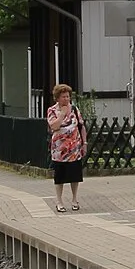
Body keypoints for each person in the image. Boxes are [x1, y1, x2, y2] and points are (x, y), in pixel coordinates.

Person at [44, 83, 89, 213]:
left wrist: (84, 143)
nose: (66, 99)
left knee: (75, 175)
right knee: (60, 176)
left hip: (74, 148)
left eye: (68, 96)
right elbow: (54, 126)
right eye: (63, 97)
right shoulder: (52, 110)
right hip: (59, 150)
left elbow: (81, 126)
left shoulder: (74, 109)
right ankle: (59, 201)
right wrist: (62, 114)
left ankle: (75, 200)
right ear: (57, 98)